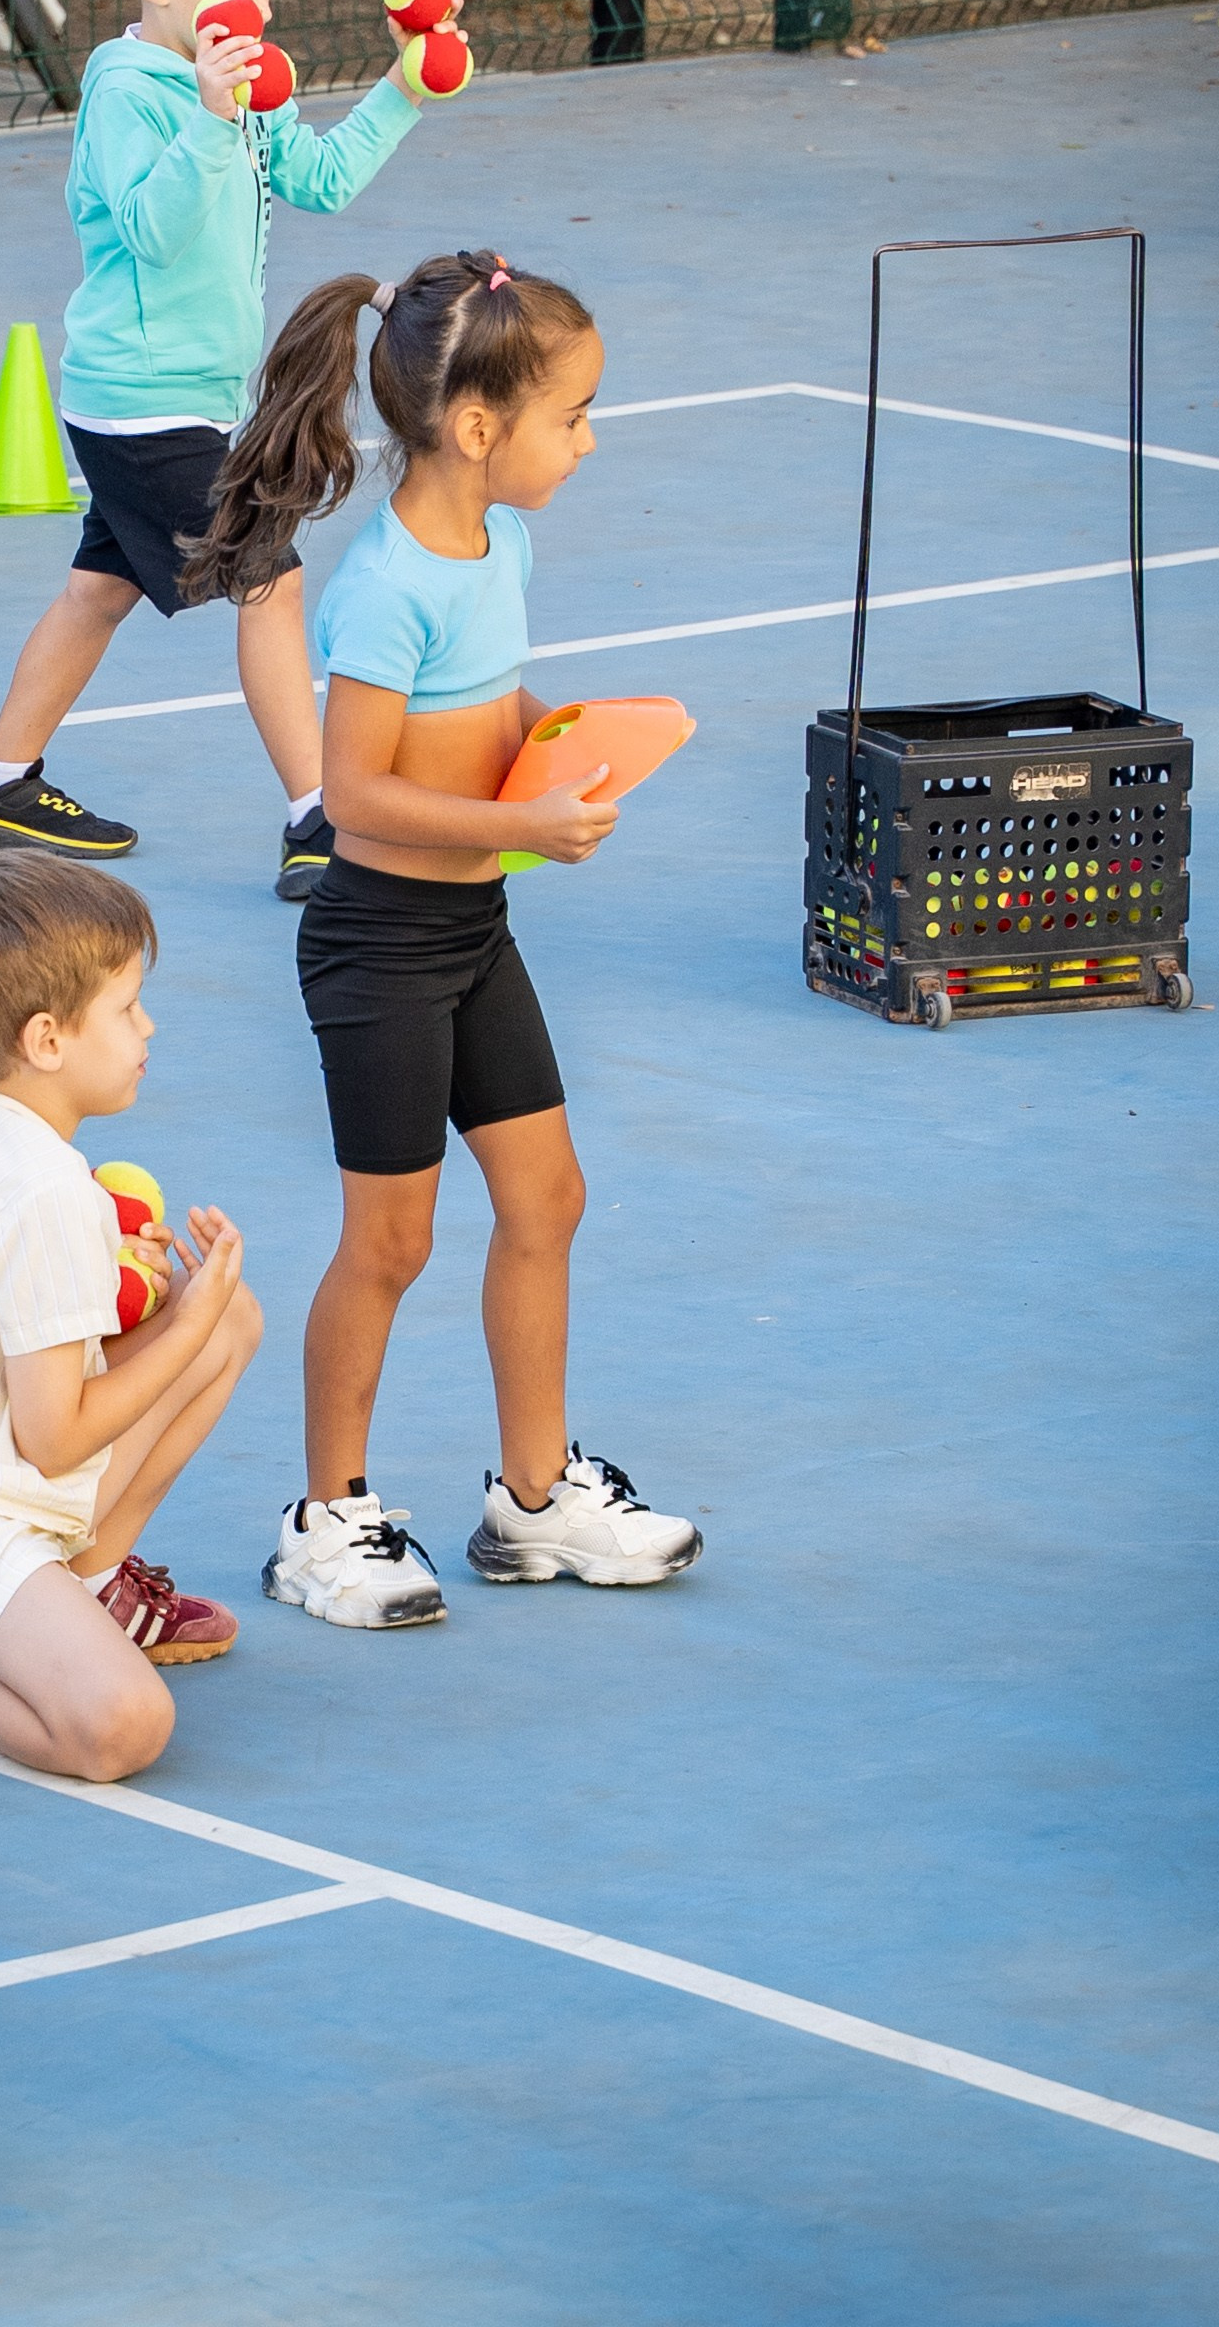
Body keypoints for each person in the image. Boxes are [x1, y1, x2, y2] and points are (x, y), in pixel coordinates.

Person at [182, 249, 703, 1629]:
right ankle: (327, 1518)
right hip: (380, 943)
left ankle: (532, 1499)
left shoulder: (502, 541)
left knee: (547, 1201)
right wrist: (512, 820)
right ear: (477, 430)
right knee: (390, 1241)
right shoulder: (380, 587)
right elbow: (349, 796)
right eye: (571, 416)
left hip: (474, 923)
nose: (586, 440)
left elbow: (492, 702)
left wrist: (559, 758)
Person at [0, 0, 463, 902]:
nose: (258, 7)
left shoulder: (241, 80)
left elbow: (318, 177)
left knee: (99, 589)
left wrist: (404, 84)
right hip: (143, 401)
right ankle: (320, 814)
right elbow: (152, 234)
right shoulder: (131, 92)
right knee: (271, 582)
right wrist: (215, 118)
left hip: (191, 396)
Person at [0, 849, 261, 1781]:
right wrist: (181, 1322)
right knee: (121, 1730)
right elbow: (55, 1440)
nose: (149, 1025)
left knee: (230, 1320)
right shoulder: (41, 1194)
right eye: (126, 1007)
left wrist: (165, 1303)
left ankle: (92, 1584)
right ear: (46, 1040)